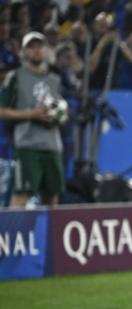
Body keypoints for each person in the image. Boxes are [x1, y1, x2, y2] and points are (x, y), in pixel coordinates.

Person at [0, 32, 65, 208]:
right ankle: (14, 234)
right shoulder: (16, 77)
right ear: (24, 52)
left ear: (46, 50)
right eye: (32, 47)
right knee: (21, 197)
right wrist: (32, 115)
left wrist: (60, 117)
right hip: (28, 146)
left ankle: (50, 236)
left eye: (40, 46)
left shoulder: (54, 80)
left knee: (51, 199)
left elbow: (60, 111)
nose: (37, 50)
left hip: (53, 146)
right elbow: (2, 111)